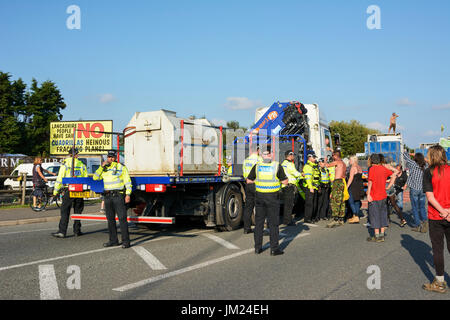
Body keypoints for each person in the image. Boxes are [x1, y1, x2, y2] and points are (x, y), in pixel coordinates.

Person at [246, 145, 288, 256]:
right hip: (273, 197)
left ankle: (257, 248)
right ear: (271, 154)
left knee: (259, 223)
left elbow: (249, 180)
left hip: (259, 197)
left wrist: (258, 185)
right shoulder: (276, 166)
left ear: (262, 155)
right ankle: (274, 249)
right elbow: (285, 182)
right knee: (273, 224)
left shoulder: (257, 166)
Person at [422, 145, 450, 293]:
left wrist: (443, 212)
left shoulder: (429, 172)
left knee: (438, 249)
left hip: (436, 215)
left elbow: (430, 197)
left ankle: (439, 281)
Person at [93, 150, 133, 249]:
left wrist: (128, 194)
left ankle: (126, 242)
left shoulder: (121, 167)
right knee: (110, 220)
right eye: (109, 157)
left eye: (112, 157)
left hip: (118, 195)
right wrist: (101, 167)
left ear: (115, 158)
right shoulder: (104, 168)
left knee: (122, 219)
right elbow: (95, 177)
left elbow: (128, 182)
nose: (110, 159)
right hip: (107, 196)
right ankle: (113, 240)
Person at [51, 148, 88, 238]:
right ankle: (77, 231)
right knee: (78, 211)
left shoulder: (65, 164)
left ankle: (62, 231)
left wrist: (55, 192)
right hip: (79, 190)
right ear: (76, 155)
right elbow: (85, 177)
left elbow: (60, 178)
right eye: (77, 154)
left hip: (69, 189)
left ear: (69, 154)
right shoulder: (81, 164)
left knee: (65, 211)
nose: (78, 155)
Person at [366, 154, 398, 242]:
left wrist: (368, 194)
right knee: (383, 214)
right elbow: (395, 173)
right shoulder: (384, 168)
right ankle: (382, 235)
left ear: (372, 161)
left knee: (375, 215)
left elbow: (370, 182)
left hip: (374, 195)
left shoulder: (372, 169)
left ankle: (377, 236)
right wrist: (389, 184)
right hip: (383, 194)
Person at [402, 151, 428, 232]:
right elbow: (429, 161)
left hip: (414, 189)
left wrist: (410, 153)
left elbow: (405, 156)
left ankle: (417, 225)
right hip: (423, 189)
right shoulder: (425, 165)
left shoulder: (413, 164)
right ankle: (424, 221)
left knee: (415, 208)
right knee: (422, 207)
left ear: (415, 158)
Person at [242, 146, 263, 234]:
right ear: (258, 150)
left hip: (248, 184)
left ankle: (246, 228)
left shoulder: (246, 160)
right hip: (257, 184)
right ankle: (259, 228)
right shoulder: (259, 160)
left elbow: (244, 173)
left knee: (248, 207)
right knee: (259, 207)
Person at [326, 150, 347, 228]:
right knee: (341, 200)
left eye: (332, 156)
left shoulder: (337, 162)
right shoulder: (344, 163)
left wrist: (324, 161)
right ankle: (341, 218)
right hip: (342, 182)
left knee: (335, 200)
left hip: (337, 181)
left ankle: (335, 219)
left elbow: (327, 165)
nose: (332, 157)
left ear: (335, 155)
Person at [281, 151, 302, 226]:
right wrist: (302, 175)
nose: (294, 156)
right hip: (289, 186)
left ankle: (286, 220)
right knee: (289, 205)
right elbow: (294, 173)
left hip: (285, 186)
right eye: (293, 155)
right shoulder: (290, 164)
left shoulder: (283, 163)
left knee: (287, 204)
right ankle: (287, 221)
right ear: (289, 155)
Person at [387, 162, 407, 227]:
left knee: (387, 204)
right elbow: (392, 178)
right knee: (393, 204)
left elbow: (391, 179)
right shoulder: (390, 170)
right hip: (392, 189)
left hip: (389, 189)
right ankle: (402, 219)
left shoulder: (402, 174)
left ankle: (388, 220)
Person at [302, 153, 320, 223]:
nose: (315, 159)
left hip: (315, 187)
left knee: (314, 203)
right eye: (314, 157)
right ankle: (307, 218)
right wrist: (310, 187)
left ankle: (312, 217)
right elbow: (308, 178)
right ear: (309, 158)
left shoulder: (314, 166)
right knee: (309, 204)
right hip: (310, 187)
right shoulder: (308, 166)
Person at [347, 156, 365, 224]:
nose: (349, 161)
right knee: (357, 200)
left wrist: (347, 186)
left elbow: (351, 178)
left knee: (351, 201)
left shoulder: (353, 167)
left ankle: (356, 215)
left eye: (350, 160)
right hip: (359, 186)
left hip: (353, 186)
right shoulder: (359, 167)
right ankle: (355, 215)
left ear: (354, 160)